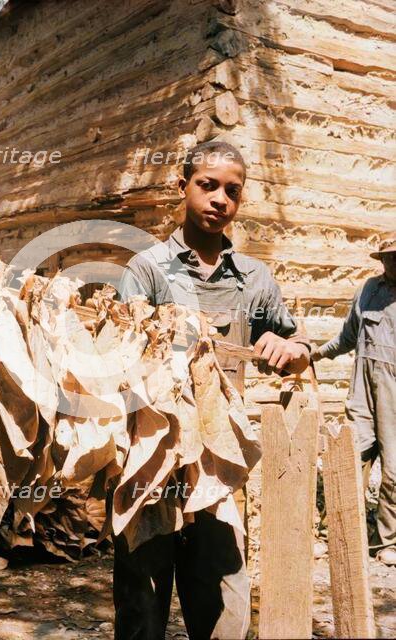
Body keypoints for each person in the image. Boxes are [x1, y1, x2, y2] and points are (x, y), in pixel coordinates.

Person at [114, 140, 311, 640]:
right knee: (142, 604)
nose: (220, 198)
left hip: (219, 467)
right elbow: (118, 354)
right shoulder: (148, 269)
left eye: (232, 191)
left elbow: (298, 346)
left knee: (224, 602)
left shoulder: (254, 279)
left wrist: (288, 347)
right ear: (182, 188)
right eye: (208, 185)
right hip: (152, 460)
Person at [312, 236, 396, 567]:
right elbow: (348, 337)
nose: (392, 264)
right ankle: (335, 532)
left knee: (394, 470)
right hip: (362, 390)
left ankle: (386, 541)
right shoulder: (368, 290)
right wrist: (315, 352)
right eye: (388, 258)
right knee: (349, 458)